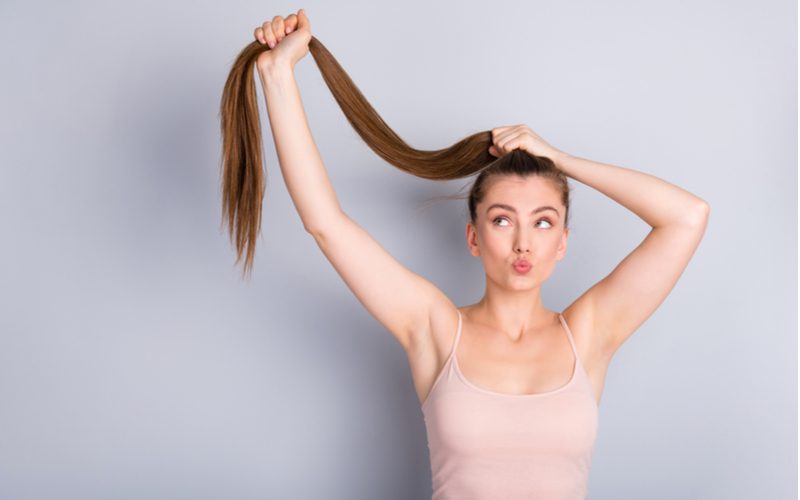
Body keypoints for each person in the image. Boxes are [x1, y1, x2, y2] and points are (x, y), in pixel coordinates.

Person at [245, 9, 710, 499]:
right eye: (503, 220)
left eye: (544, 221)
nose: (524, 242)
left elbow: (688, 217)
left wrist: (562, 161)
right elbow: (327, 225)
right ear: (473, 237)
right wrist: (277, 76)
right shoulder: (435, 327)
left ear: (563, 243)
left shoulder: (590, 333)